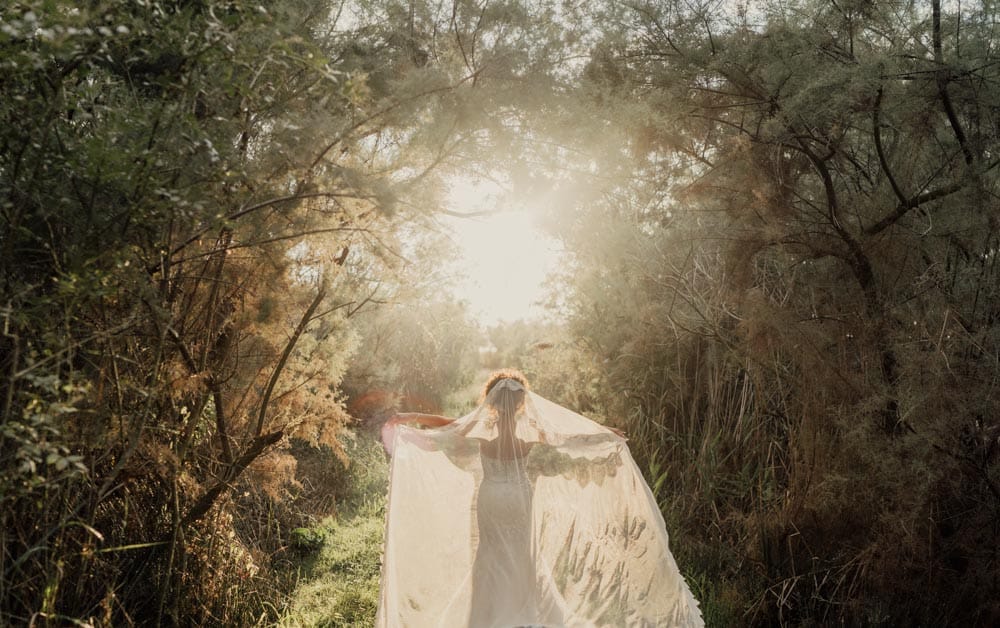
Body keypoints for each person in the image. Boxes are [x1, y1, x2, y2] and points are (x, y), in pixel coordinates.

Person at [376, 369, 703, 628]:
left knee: (490, 553)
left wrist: (408, 418)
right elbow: (568, 438)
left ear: (490, 402)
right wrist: (604, 433)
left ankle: (489, 616)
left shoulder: (480, 432)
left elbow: (448, 425)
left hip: (491, 499)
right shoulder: (530, 434)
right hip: (519, 498)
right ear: (521, 403)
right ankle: (526, 610)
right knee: (523, 552)